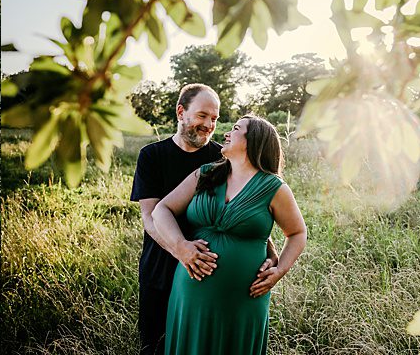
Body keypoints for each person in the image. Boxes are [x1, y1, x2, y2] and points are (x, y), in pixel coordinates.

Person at [130, 84, 278, 355]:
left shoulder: (223, 157)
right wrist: (182, 250)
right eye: (202, 116)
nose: (209, 125)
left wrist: (270, 252)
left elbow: (245, 206)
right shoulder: (151, 156)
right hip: (161, 269)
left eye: (215, 118)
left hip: (211, 282)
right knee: (156, 346)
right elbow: (150, 217)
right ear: (180, 112)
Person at [152, 115, 308, 355]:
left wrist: (280, 270)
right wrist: (180, 246)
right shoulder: (205, 175)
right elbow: (161, 210)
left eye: (235, 129)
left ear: (253, 140)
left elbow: (297, 232)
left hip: (243, 300)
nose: (226, 133)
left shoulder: (274, 188)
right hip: (192, 293)